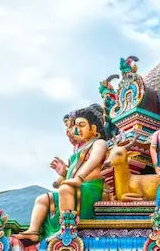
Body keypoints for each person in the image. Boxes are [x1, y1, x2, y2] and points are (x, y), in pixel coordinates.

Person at [14, 104, 108, 245]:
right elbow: (69, 177)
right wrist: (64, 172)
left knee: (65, 189)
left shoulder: (99, 143)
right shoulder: (77, 152)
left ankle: (67, 230)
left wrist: (78, 178)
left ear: (94, 129)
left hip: (91, 190)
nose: (77, 129)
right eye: (76, 125)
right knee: (43, 199)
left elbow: (94, 161)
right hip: (76, 189)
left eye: (82, 125)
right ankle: (33, 232)